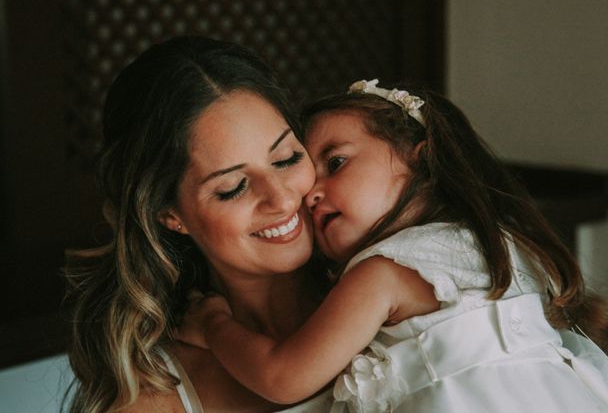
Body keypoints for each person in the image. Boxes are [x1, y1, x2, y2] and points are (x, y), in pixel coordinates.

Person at [180, 79, 608, 412]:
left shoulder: (382, 274)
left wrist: (215, 324)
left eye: (336, 163)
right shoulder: (500, 240)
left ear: (419, 158)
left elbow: (282, 377)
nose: (309, 194)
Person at [63, 36, 334, 412]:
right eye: (233, 187)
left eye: (286, 158)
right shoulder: (154, 397)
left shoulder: (397, 292)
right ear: (170, 214)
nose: (283, 198)